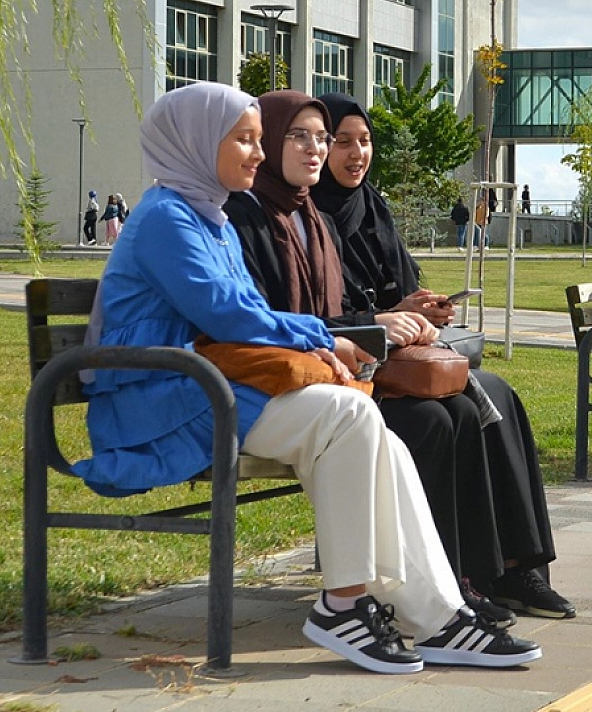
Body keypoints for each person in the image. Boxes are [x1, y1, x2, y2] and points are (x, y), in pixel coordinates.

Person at [75, 83, 538, 674]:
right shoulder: (167, 218)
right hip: (160, 397)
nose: (258, 152)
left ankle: (435, 614)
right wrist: (325, 337)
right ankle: (345, 604)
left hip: (206, 387)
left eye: (256, 140)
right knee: (349, 415)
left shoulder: (208, 217)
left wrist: (326, 338)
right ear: (195, 143)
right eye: (243, 140)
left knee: (381, 437)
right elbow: (229, 313)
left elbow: (245, 315)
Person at [225, 91, 525, 630]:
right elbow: (252, 318)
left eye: (337, 139)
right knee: (427, 420)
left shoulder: (308, 215)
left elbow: (330, 307)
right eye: (307, 137)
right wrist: (370, 324)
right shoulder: (240, 217)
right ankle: (409, 595)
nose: (329, 151)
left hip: (334, 375)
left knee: (482, 399)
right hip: (280, 385)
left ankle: (493, 573)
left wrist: (407, 313)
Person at [312, 93, 576, 621]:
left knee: (498, 392)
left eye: (364, 142)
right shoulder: (309, 215)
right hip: (350, 373)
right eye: (341, 142)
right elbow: (320, 309)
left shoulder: (373, 206)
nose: (355, 154)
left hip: (400, 363)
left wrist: (424, 308)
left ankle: (513, 567)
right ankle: (456, 576)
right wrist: (388, 314)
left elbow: (401, 287)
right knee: (440, 417)